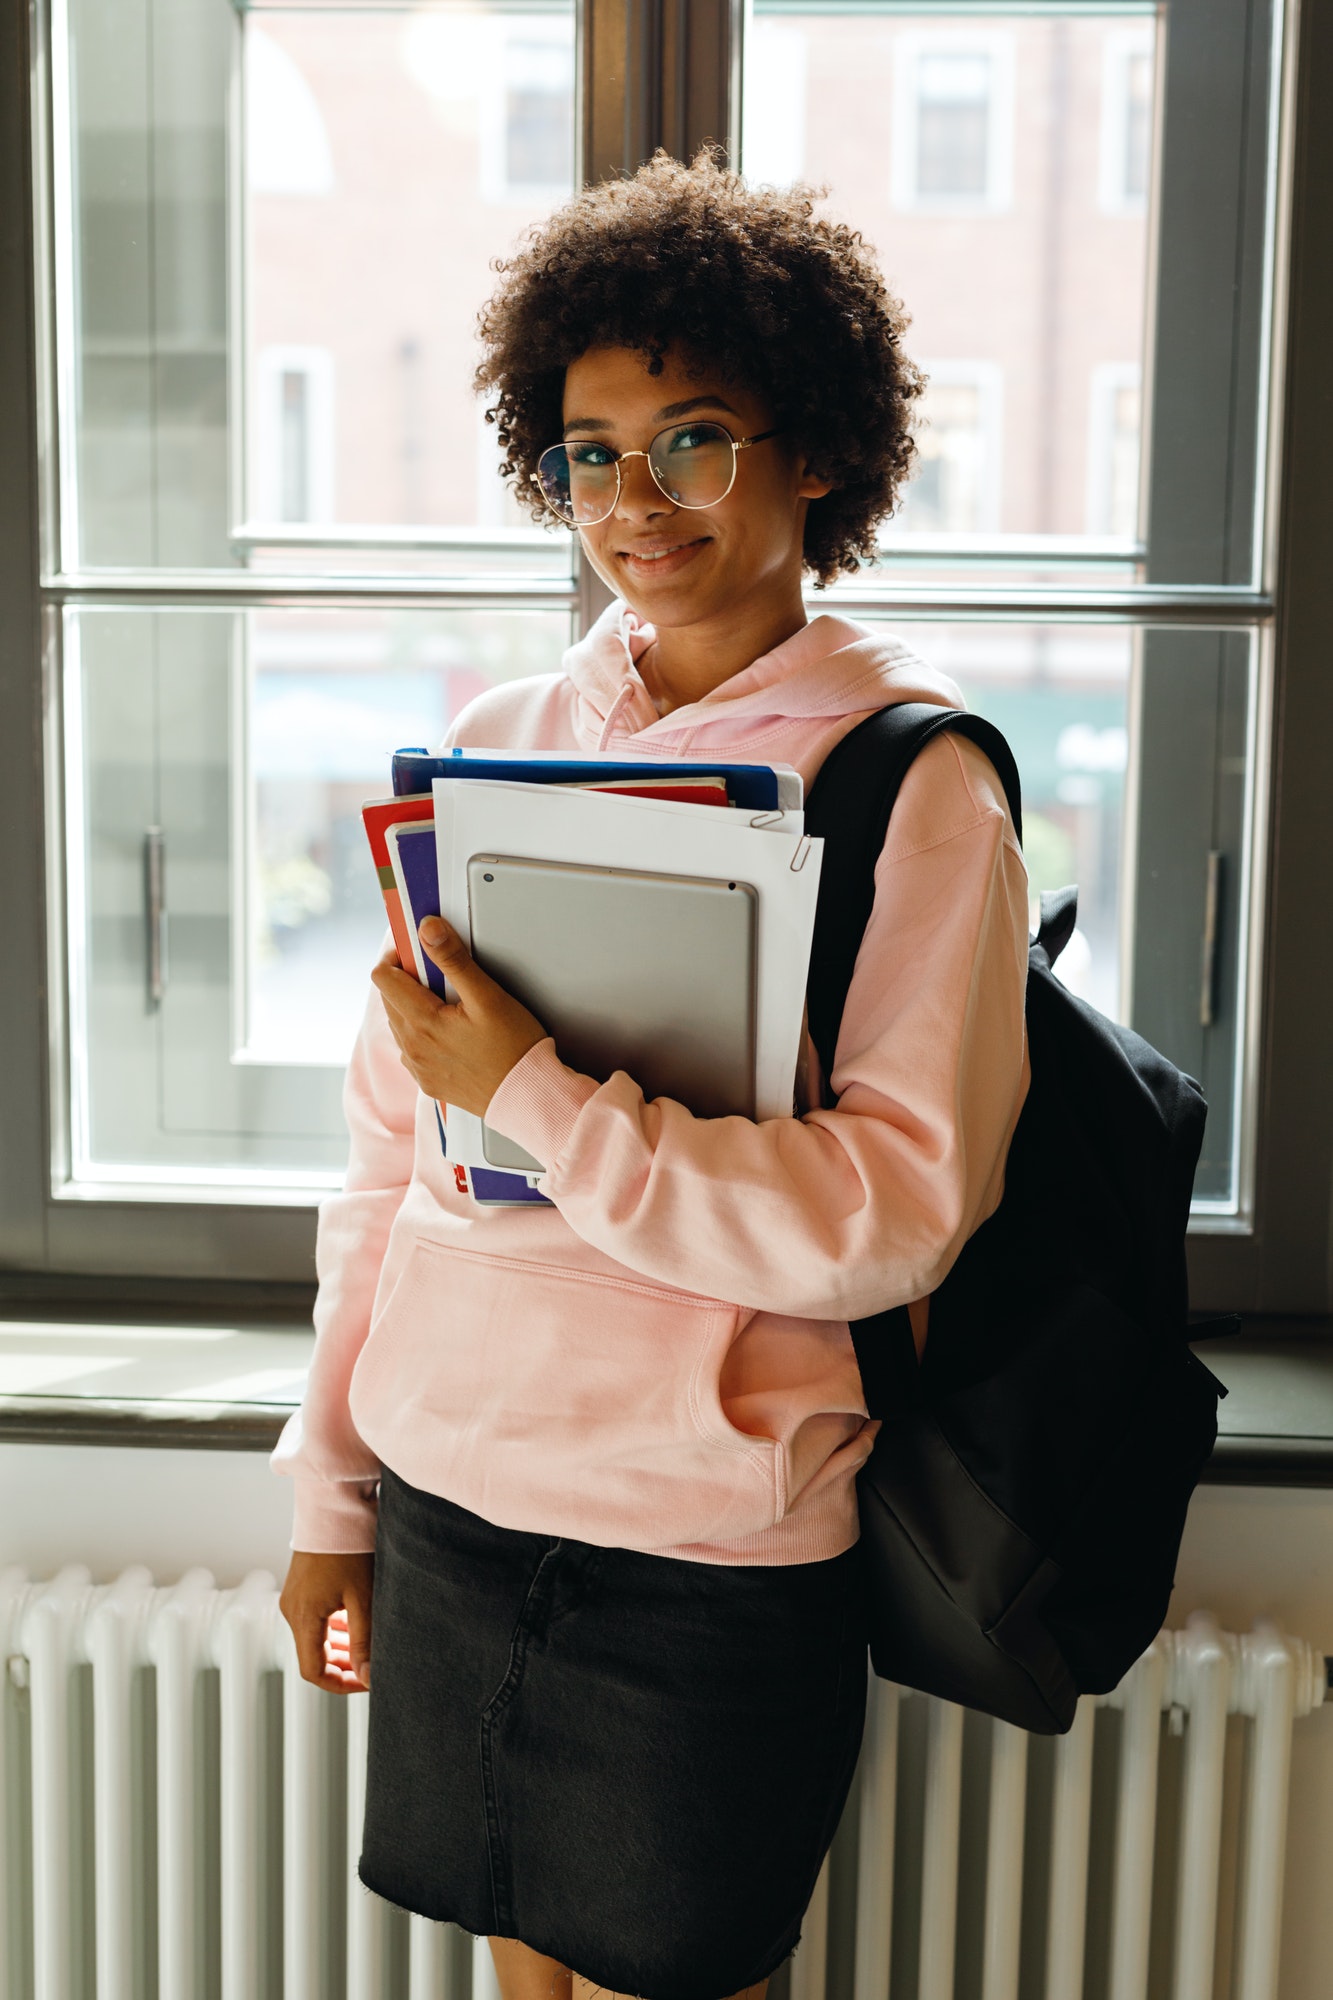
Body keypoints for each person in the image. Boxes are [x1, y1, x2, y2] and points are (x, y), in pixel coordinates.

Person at [274, 151, 1030, 2000]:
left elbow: (890, 1220)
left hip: (705, 1537)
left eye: (694, 439)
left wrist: (536, 1091)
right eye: (591, 448)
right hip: (454, 1501)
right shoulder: (491, 747)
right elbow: (391, 1162)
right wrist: (330, 1501)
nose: (636, 498)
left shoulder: (909, 787)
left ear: (816, 452)